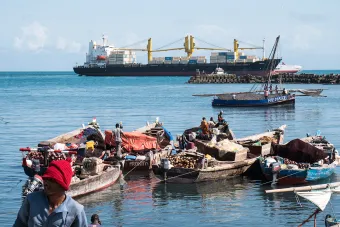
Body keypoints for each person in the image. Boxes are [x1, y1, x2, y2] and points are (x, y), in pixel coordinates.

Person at [13, 160, 88, 227]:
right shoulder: (31, 200)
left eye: (51, 180)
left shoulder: (76, 210)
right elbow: (20, 224)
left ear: (62, 185)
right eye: (45, 179)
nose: (46, 183)